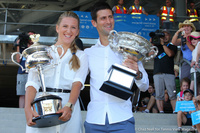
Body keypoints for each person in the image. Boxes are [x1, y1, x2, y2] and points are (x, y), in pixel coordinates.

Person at [84, 2, 149, 133]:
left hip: (123, 119)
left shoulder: (129, 49)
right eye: (103, 18)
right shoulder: (88, 53)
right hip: (94, 121)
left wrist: (137, 73)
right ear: (94, 23)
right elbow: (76, 81)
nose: (108, 21)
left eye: (110, 17)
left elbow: (144, 86)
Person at [24, 11, 88, 133]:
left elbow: (77, 84)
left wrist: (69, 106)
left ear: (77, 32)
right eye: (65, 26)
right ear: (57, 28)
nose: (69, 31)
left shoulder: (81, 56)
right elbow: (32, 83)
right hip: (40, 108)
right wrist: (27, 107)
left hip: (68, 108)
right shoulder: (42, 52)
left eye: (73, 27)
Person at [151, 29, 177, 113]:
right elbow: (149, 54)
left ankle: (175, 111)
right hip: (157, 73)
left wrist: (163, 44)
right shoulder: (156, 47)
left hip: (169, 73)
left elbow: (170, 54)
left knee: (172, 94)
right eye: (163, 35)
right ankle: (161, 112)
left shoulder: (172, 46)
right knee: (159, 94)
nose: (165, 37)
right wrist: (151, 42)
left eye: (166, 35)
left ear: (170, 36)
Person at [14, 31, 35, 108]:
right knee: (22, 94)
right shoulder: (22, 45)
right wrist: (18, 46)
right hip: (22, 72)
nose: (29, 38)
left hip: (33, 72)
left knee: (32, 94)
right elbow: (18, 60)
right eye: (28, 36)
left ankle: (31, 110)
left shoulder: (36, 46)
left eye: (32, 36)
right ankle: (21, 111)